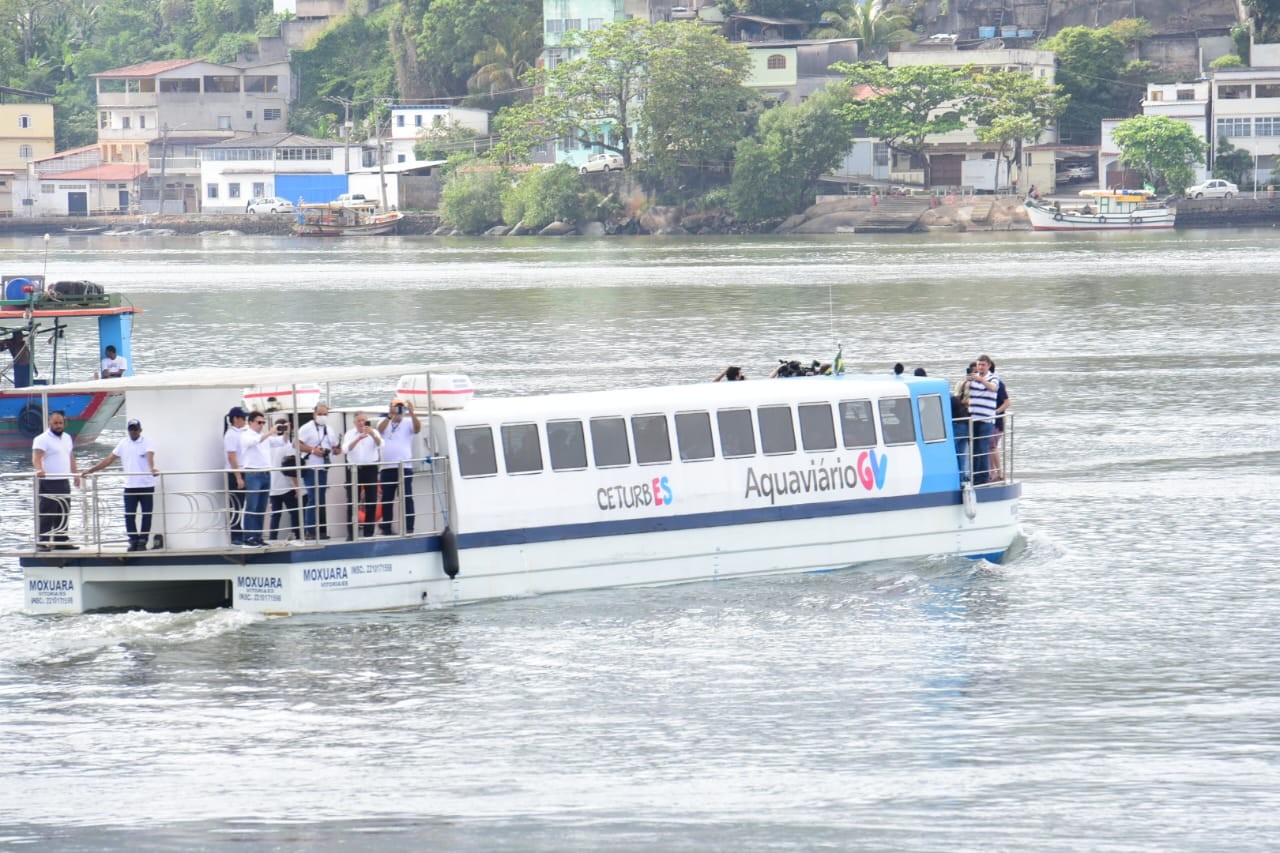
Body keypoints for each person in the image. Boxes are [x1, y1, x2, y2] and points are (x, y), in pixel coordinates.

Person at [83, 418, 159, 551]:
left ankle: (143, 540)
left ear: (140, 430)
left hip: (146, 484)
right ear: (128, 431)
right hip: (130, 486)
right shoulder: (123, 443)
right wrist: (91, 470)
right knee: (129, 515)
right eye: (131, 429)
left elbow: (150, 456)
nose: (133, 432)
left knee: (146, 514)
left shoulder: (147, 442)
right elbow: (109, 459)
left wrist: (152, 468)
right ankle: (133, 540)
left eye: (135, 429)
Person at [32, 410, 80, 550]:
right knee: (48, 511)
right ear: (49, 423)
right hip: (49, 481)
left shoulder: (67, 438)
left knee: (64, 510)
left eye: (60, 423)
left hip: (64, 479)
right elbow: (36, 457)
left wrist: (76, 474)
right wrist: (39, 469)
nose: (58, 426)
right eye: (55, 423)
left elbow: (70, 456)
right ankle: (42, 541)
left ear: (64, 423)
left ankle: (61, 540)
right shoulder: (42, 439)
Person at [297, 403, 342, 540]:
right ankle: (309, 530)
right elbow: (296, 444)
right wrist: (313, 450)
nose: (322, 417)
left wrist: (336, 449)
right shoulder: (306, 428)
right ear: (314, 414)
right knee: (313, 498)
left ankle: (319, 529)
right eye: (320, 414)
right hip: (311, 467)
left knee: (320, 499)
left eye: (325, 414)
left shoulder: (329, 429)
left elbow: (334, 447)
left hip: (323, 468)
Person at [378, 398, 421, 535]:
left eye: (400, 408)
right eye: (396, 407)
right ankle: (386, 528)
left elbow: (418, 429)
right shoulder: (384, 421)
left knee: (407, 497)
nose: (398, 410)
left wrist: (412, 413)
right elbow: (380, 430)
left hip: (404, 466)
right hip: (387, 467)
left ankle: (409, 527)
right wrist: (390, 416)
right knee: (387, 498)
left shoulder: (408, 422)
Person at [237, 411, 276, 546]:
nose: (261, 425)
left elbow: (280, 443)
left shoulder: (263, 436)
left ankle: (257, 536)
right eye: (259, 422)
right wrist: (270, 432)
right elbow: (253, 442)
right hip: (253, 473)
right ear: (251, 422)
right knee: (252, 506)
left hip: (265, 473)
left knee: (261, 507)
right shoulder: (245, 435)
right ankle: (248, 536)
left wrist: (286, 432)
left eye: (263, 423)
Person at [344, 412, 383, 539]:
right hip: (354, 469)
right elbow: (345, 449)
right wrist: (358, 438)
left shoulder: (374, 432)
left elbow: (381, 445)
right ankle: (352, 534)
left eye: (364, 420)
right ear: (354, 422)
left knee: (371, 501)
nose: (362, 423)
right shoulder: (350, 434)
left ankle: (368, 533)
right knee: (352, 501)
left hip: (370, 468)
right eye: (359, 421)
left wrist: (372, 435)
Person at [967, 355, 1001, 485]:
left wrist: (980, 379)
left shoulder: (993, 377)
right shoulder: (974, 378)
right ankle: (975, 477)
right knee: (974, 449)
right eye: (978, 365)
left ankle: (983, 478)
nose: (980, 367)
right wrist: (967, 381)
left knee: (982, 447)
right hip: (973, 418)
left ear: (989, 365)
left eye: (983, 365)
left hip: (986, 419)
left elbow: (993, 388)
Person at [267, 417, 301, 542]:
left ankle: (272, 538)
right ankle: (297, 535)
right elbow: (291, 469)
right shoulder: (287, 445)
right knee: (294, 512)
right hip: (286, 486)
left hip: (272, 486)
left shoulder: (268, 444)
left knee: (275, 515)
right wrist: (297, 487)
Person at [223, 406, 250, 545]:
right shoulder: (231, 435)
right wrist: (238, 476)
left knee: (242, 504)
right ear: (235, 419)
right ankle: (235, 535)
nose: (245, 420)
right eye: (243, 418)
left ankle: (242, 533)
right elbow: (231, 456)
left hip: (243, 470)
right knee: (236, 504)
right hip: (235, 473)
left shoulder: (242, 433)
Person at [988, 359, 1011, 481]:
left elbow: (1007, 403)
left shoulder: (998, 384)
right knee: (988, 446)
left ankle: (1000, 473)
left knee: (992, 446)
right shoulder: (983, 384)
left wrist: (995, 412)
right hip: (988, 421)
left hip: (996, 421)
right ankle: (992, 473)